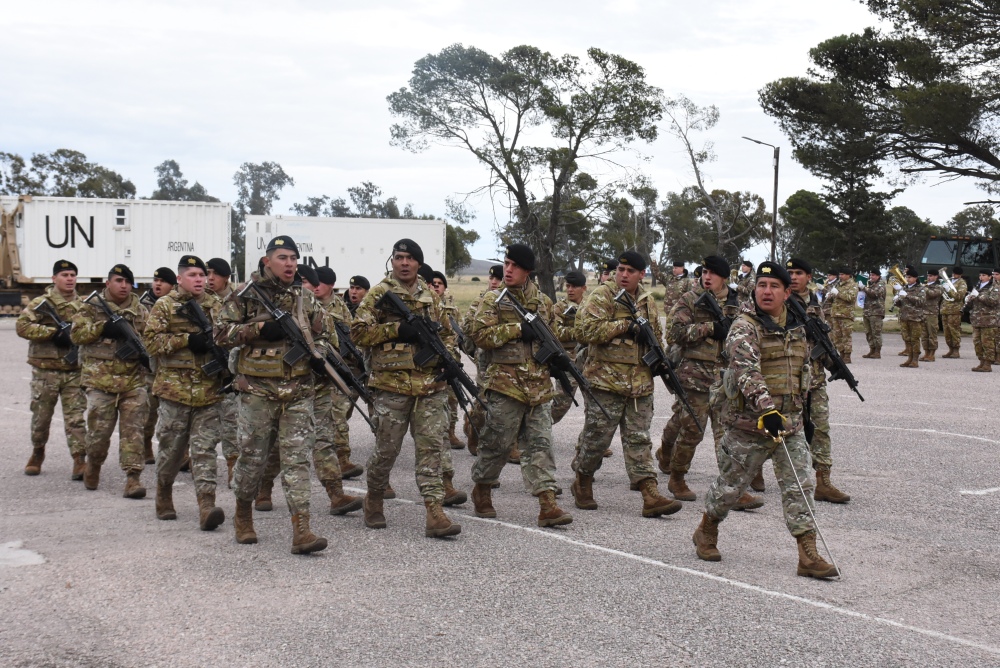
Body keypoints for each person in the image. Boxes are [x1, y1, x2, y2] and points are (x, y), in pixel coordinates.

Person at [694, 261, 838, 580]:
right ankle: (707, 529)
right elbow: (746, 370)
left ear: (787, 292)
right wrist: (766, 407)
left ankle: (807, 552)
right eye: (761, 285)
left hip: (790, 424)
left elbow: (808, 368)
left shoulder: (799, 325)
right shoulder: (745, 325)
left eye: (774, 286)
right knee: (730, 488)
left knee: (800, 486)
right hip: (751, 424)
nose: (766, 291)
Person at [217, 235, 331, 554]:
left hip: (297, 391)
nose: (290, 264)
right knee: (252, 457)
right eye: (283, 258)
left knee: (296, 460)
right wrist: (258, 330)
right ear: (267, 261)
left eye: (294, 258)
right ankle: (243, 516)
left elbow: (325, 334)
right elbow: (219, 334)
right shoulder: (245, 296)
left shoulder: (304, 299)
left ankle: (302, 530)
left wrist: (318, 356)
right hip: (257, 391)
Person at [351, 239, 462, 538]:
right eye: (399, 257)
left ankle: (434, 511)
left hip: (430, 386)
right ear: (393, 261)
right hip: (391, 386)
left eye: (410, 258)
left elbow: (449, 336)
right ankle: (373, 497)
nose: (404, 263)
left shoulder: (431, 297)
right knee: (387, 450)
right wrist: (396, 329)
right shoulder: (378, 293)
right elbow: (358, 332)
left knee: (431, 450)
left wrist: (447, 362)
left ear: (417, 263)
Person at [468, 244, 572, 527]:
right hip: (504, 384)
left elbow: (550, 337)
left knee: (541, 445)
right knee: (497, 444)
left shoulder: (543, 303)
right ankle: (483, 489)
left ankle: (547, 503)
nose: (508, 269)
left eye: (514, 265)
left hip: (538, 387)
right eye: (506, 263)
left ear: (527, 271)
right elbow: (479, 335)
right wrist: (515, 329)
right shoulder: (493, 299)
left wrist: (558, 360)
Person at [570, 250, 680, 517]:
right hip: (605, 383)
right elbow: (584, 331)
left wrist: (661, 361)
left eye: (630, 271)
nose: (623, 274)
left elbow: (655, 336)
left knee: (639, 440)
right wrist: (625, 326)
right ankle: (582, 480)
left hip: (639, 385)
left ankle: (649, 494)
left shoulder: (646, 300)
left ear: (642, 274)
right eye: (620, 269)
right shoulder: (602, 296)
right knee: (597, 439)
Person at [659, 255, 763, 508]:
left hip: (725, 380)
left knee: (725, 436)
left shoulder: (738, 303)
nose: (706, 277)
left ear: (724, 278)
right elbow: (673, 333)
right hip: (694, 377)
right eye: (704, 272)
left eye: (712, 274)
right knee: (692, 430)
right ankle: (677, 478)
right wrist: (708, 328)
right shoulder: (690, 300)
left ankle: (732, 489)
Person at [143, 255, 227, 530]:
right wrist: (187, 340)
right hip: (174, 391)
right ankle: (164, 494)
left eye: (202, 275)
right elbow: (151, 342)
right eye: (192, 275)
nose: (199, 280)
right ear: (179, 279)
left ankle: (206, 504)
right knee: (171, 450)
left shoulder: (217, 305)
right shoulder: (165, 305)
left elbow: (230, 336)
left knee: (204, 450)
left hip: (209, 391)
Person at [71, 264, 150, 498]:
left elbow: (150, 338)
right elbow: (76, 334)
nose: (124, 286)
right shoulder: (91, 306)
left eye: (128, 282)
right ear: (108, 283)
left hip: (133, 382)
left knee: (133, 432)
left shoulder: (140, 310)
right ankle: (93, 465)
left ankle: (133, 478)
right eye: (118, 281)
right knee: (99, 433)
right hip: (100, 382)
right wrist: (103, 327)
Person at [16, 260, 87, 478]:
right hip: (45, 371)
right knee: (41, 417)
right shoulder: (41, 303)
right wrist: (52, 333)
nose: (69, 279)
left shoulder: (84, 306)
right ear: (54, 278)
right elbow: (22, 326)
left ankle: (79, 460)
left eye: (73, 274)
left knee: (75, 418)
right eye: (64, 274)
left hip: (74, 371)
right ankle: (37, 453)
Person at [787, 258, 850, 503]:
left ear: (809, 276)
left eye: (799, 273)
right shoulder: (778, 298)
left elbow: (821, 339)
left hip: (814, 380)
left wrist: (836, 365)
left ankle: (823, 482)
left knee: (820, 430)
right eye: (790, 272)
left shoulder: (816, 302)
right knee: (777, 430)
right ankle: (756, 472)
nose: (794, 277)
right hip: (787, 378)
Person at [426, 269, 469, 506]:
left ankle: (445, 485)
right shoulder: (389, 297)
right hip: (399, 381)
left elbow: (454, 336)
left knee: (438, 434)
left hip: (437, 375)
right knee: (388, 446)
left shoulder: (445, 309)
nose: (435, 287)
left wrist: (451, 358)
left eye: (439, 284)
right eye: (432, 283)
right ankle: (378, 490)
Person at [460, 264, 504, 455]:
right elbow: (468, 327)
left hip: (506, 358)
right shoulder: (480, 301)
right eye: (491, 278)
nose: (494, 282)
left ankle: (510, 445)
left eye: (498, 279)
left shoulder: (509, 302)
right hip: (485, 357)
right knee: (483, 398)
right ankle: (475, 431)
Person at [206, 257, 240, 485]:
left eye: (214, 274)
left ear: (226, 277)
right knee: (205, 424)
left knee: (231, 421)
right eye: (207, 273)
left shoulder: (238, 299)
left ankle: (232, 466)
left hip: (230, 369)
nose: (209, 278)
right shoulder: (200, 300)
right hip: (205, 371)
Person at [142, 267, 177, 466]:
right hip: (150, 369)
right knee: (149, 412)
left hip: (172, 369)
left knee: (174, 418)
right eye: (155, 280)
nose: (157, 284)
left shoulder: (178, 306)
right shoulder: (142, 305)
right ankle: (146, 443)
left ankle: (180, 454)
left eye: (162, 281)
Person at [551, 270, 588, 425]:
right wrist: (581, 333)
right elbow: (556, 332)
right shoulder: (559, 307)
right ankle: (532, 433)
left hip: (588, 361)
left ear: (584, 288)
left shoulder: (590, 307)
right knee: (560, 404)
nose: (570, 290)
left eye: (574, 286)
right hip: (568, 361)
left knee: (595, 406)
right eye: (568, 286)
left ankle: (590, 445)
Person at [894, 266, 927, 369]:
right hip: (904, 317)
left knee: (915, 339)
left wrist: (907, 296)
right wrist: (897, 301)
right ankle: (909, 358)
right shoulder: (904, 288)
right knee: (907, 339)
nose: (908, 279)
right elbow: (902, 304)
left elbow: (921, 302)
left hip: (915, 318)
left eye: (910, 277)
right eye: (907, 277)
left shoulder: (921, 289)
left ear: (915, 278)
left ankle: (915, 360)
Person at [967, 269, 999, 372]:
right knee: (977, 342)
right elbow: (973, 303)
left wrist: (979, 296)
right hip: (977, 319)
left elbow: (993, 301)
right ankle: (981, 362)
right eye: (980, 275)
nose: (981, 277)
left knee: (987, 343)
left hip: (989, 320)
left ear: (990, 277)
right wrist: (969, 299)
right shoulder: (977, 286)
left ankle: (988, 364)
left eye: (984, 275)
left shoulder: (995, 287)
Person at [827, 269, 858, 363]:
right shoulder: (838, 284)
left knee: (846, 336)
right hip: (835, 314)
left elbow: (851, 298)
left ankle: (847, 356)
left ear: (848, 275)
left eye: (842, 274)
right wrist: (830, 296)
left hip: (846, 315)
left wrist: (838, 293)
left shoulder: (853, 285)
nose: (840, 276)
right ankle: (841, 354)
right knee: (837, 336)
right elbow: (833, 300)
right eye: (840, 274)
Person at [941, 266, 968, 358]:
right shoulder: (949, 281)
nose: (954, 275)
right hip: (945, 309)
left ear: (960, 275)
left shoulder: (962, 283)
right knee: (946, 331)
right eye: (953, 273)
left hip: (954, 310)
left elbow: (959, 296)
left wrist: (949, 290)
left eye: (956, 274)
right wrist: (943, 287)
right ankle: (950, 349)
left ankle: (956, 350)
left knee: (954, 330)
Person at [920, 268, 944, 362]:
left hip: (932, 313)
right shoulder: (925, 286)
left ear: (936, 277)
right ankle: (926, 353)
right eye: (928, 276)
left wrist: (924, 288)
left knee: (932, 334)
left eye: (931, 276)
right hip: (923, 312)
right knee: (924, 335)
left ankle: (932, 354)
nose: (929, 278)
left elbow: (932, 294)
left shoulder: (938, 287)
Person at [861, 269, 886, 359]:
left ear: (878, 276)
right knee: (868, 332)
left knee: (876, 332)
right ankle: (872, 349)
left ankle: (877, 351)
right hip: (867, 311)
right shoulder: (870, 284)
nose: (872, 277)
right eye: (871, 275)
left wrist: (864, 288)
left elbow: (875, 294)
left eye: (874, 275)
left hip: (876, 312)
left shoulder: (881, 284)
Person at [661, 261, 693, 327]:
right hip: (669, 311)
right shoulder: (670, 279)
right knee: (668, 330)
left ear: (682, 268)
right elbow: (657, 274)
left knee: (677, 330)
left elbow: (690, 297)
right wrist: (653, 261)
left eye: (676, 268)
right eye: (673, 268)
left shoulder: (686, 281)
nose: (673, 270)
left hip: (679, 312)